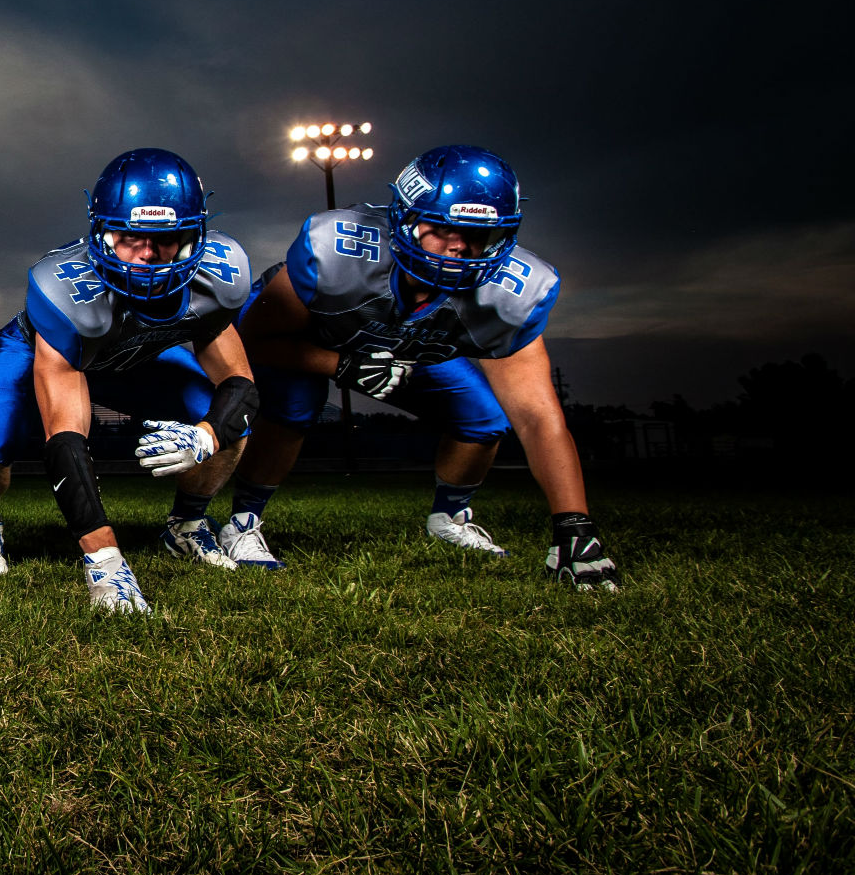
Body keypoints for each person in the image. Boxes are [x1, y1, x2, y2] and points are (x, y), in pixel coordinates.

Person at [218, 144, 621, 589]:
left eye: (478, 235)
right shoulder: (337, 251)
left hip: (409, 350)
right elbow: (256, 340)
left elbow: (538, 417)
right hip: (312, 339)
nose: (460, 247)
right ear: (404, 219)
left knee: (484, 418)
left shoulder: (512, 294)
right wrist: (341, 365)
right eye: (442, 227)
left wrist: (574, 527)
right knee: (296, 405)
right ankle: (243, 521)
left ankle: (449, 517)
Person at [0, 148, 261, 613]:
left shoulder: (219, 277)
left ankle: (186, 524)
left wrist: (207, 434)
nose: (146, 255)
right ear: (101, 233)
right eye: (128, 237)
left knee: (230, 424)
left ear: (195, 236)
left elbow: (240, 384)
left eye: (166, 238)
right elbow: (66, 440)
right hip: (48, 351)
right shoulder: (64, 290)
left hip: (136, 359)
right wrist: (106, 561)